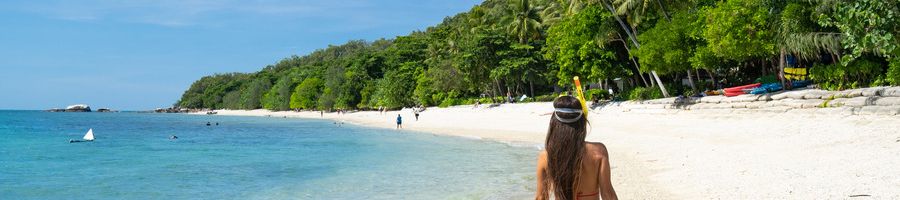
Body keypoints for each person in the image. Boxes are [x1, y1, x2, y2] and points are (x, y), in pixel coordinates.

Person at [535, 96, 617, 200]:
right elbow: (608, 194)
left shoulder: (546, 156)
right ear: (582, 123)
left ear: (554, 124)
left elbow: (541, 197)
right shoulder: (598, 151)